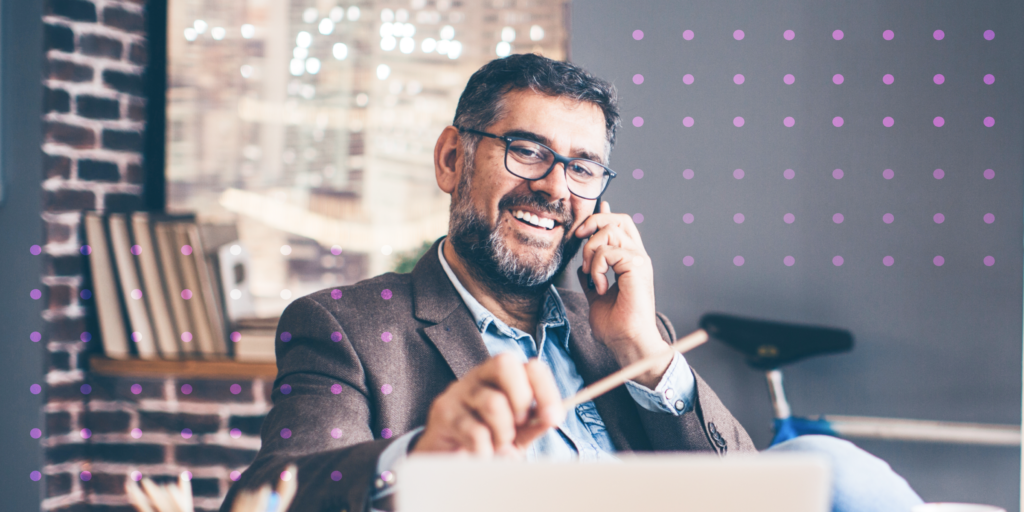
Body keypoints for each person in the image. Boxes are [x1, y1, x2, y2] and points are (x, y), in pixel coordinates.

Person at [221, 54, 922, 512]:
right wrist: (423, 456)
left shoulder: (617, 332)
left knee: (821, 460)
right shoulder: (347, 324)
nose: (555, 188)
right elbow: (268, 494)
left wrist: (645, 350)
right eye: (527, 151)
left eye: (583, 168)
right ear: (450, 159)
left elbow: (745, 485)